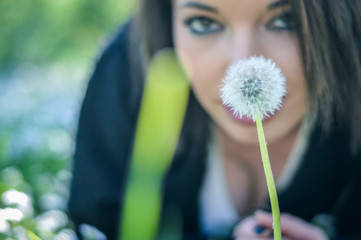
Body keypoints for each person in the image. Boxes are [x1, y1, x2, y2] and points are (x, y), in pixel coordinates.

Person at [67, 0, 361, 239]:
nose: (242, 63)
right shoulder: (124, 74)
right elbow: (96, 225)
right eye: (204, 23)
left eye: (286, 20)